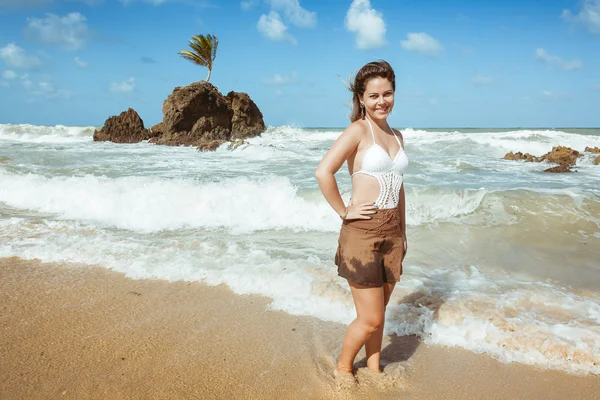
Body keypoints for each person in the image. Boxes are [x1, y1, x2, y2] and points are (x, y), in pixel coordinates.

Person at [315, 60, 408, 378]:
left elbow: (400, 188)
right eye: (374, 96)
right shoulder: (357, 130)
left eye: (388, 93)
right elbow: (323, 171)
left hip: (392, 233)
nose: (382, 101)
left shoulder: (397, 136)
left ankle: (373, 367)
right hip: (362, 234)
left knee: (379, 316)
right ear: (362, 98)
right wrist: (344, 210)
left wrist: (403, 233)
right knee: (369, 318)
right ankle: (343, 369)